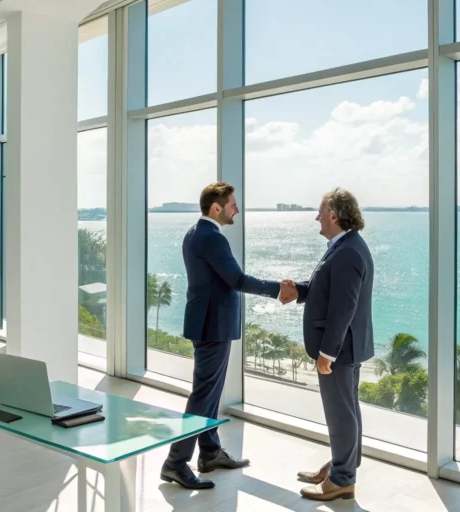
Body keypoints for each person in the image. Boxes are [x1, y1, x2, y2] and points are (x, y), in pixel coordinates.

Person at [160, 181, 297, 490]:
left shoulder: (195, 233)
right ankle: (175, 462)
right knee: (203, 395)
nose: (238, 208)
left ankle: (209, 452)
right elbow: (236, 279)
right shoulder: (213, 238)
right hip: (213, 326)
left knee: (209, 392)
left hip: (207, 323)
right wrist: (279, 290)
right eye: (233, 204)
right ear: (216, 207)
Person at [280, 188, 374, 502]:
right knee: (347, 410)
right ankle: (340, 466)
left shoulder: (346, 251)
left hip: (340, 351)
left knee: (340, 413)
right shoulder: (345, 246)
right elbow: (328, 291)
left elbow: (343, 307)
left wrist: (327, 353)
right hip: (347, 348)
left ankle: (342, 479)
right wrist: (301, 291)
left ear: (334, 214)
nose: (317, 217)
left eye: (320, 211)